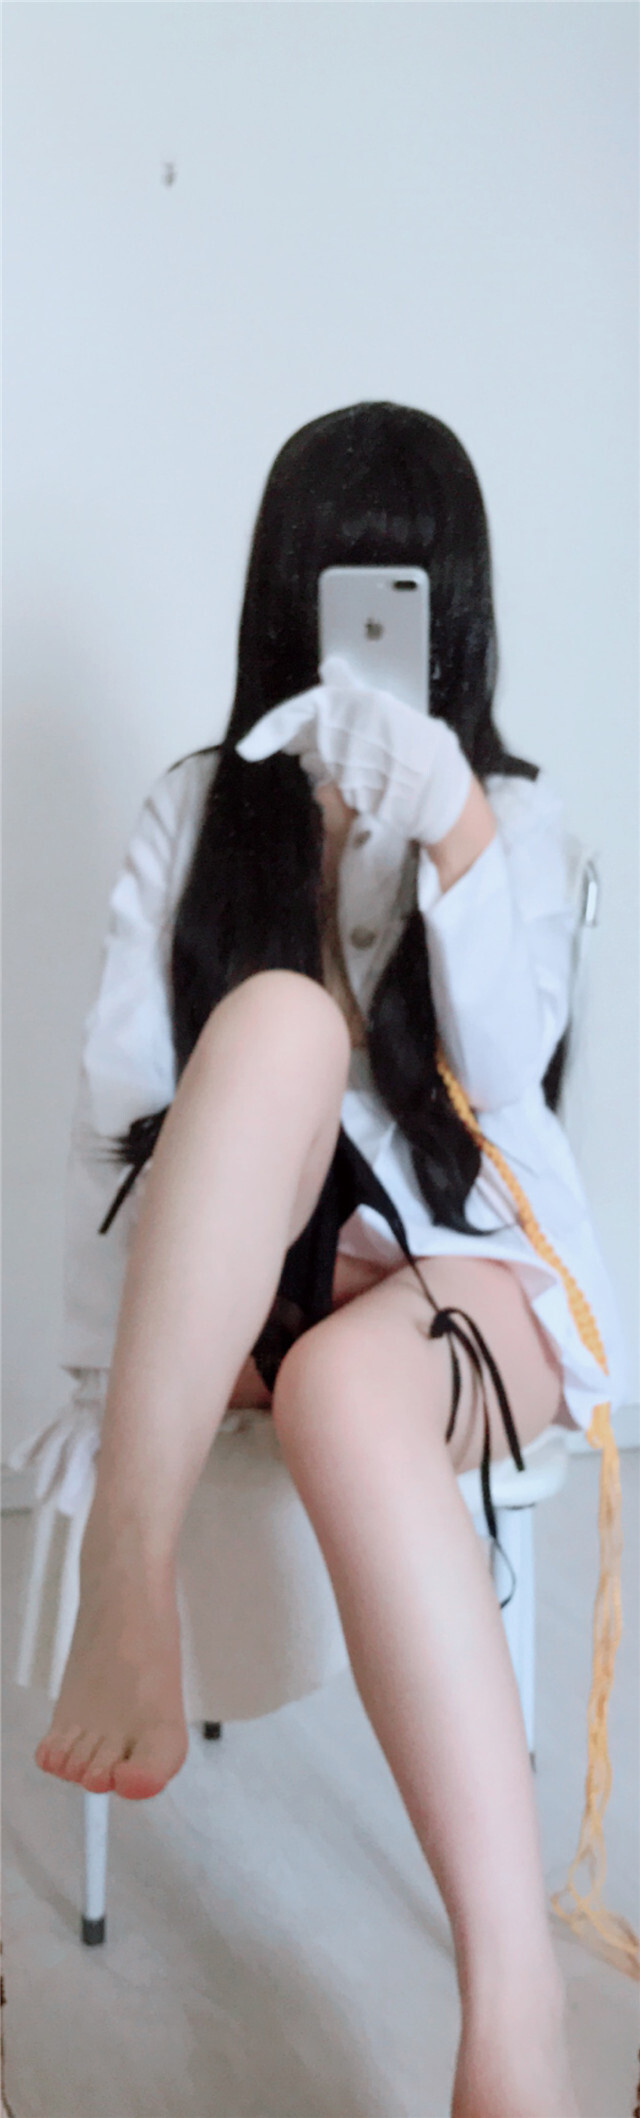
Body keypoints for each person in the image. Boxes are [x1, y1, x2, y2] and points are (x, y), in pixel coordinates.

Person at [16, 404, 635, 2113]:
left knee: (356, 1394)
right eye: (337, 585)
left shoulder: (512, 821)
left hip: (461, 1285)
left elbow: (508, 1080)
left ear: (456, 612)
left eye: (405, 591)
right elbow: (123, 1118)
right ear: (285, 600)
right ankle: (132, 1577)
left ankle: (511, 2016)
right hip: (243, 1280)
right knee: (282, 1022)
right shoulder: (197, 806)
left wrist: (449, 835)